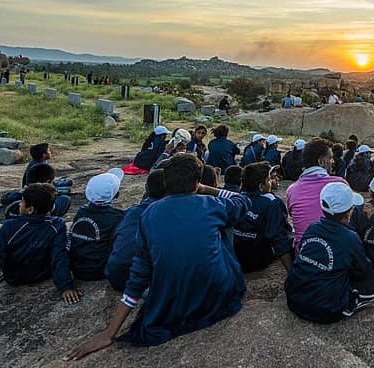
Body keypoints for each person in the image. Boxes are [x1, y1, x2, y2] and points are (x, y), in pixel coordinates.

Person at [65, 154, 250, 359]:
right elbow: (242, 200)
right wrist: (207, 190)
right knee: (223, 227)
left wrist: (110, 332)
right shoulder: (211, 204)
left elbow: (139, 273)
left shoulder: (150, 213)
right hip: (220, 294)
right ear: (196, 183)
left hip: (173, 303)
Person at [0, 183, 82, 319]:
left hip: (14, 278)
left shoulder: (9, 226)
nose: (19, 205)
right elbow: (59, 257)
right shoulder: (57, 224)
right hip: (43, 274)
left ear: (30, 209)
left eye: (22, 202)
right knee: (68, 240)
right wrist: (66, 286)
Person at [285, 182, 374, 323]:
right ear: (349, 212)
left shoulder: (312, 227)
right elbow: (364, 271)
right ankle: (356, 302)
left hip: (294, 298)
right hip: (326, 309)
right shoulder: (350, 237)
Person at [286, 138, 349, 253]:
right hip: (335, 253)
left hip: (303, 254)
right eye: (330, 158)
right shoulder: (339, 184)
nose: (333, 161)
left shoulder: (292, 190)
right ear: (321, 162)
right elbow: (348, 218)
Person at [105, 170, 166, 291]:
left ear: (146, 188)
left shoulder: (132, 211)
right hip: (139, 282)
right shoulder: (164, 214)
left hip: (114, 275)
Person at [233, 162, 293, 273]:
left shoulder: (237, 197)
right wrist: (291, 271)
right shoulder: (272, 202)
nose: (273, 180)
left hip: (236, 257)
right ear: (261, 186)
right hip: (258, 259)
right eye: (269, 179)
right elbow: (278, 236)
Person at [69, 171, 126, 281]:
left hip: (77, 268)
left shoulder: (81, 212)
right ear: (117, 194)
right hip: (100, 270)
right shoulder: (118, 216)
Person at [1, 161, 71, 218]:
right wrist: (53, 193)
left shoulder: (12, 198)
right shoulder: (43, 201)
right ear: (47, 182)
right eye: (52, 182)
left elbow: (5, 198)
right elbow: (65, 200)